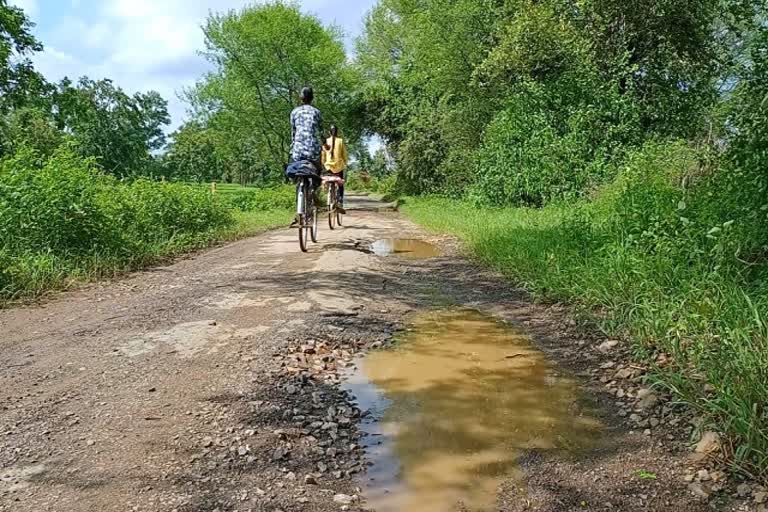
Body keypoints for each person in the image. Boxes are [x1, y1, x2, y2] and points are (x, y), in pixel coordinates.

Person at [288, 87, 323, 226]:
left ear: (301, 98)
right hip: (313, 150)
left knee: (298, 172)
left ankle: (300, 192)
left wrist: (294, 144)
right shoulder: (316, 112)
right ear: (312, 98)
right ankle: (313, 190)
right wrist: (324, 141)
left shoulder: (294, 112)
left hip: (297, 150)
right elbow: (319, 131)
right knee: (318, 170)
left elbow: (293, 131)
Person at [321, 125, 348, 213]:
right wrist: (345, 163)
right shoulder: (340, 141)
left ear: (329, 132)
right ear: (337, 132)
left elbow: (323, 155)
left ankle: (329, 194)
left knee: (328, 181)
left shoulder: (326, 141)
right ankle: (340, 201)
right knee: (340, 184)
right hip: (339, 166)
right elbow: (344, 155)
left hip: (328, 166)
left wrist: (323, 164)